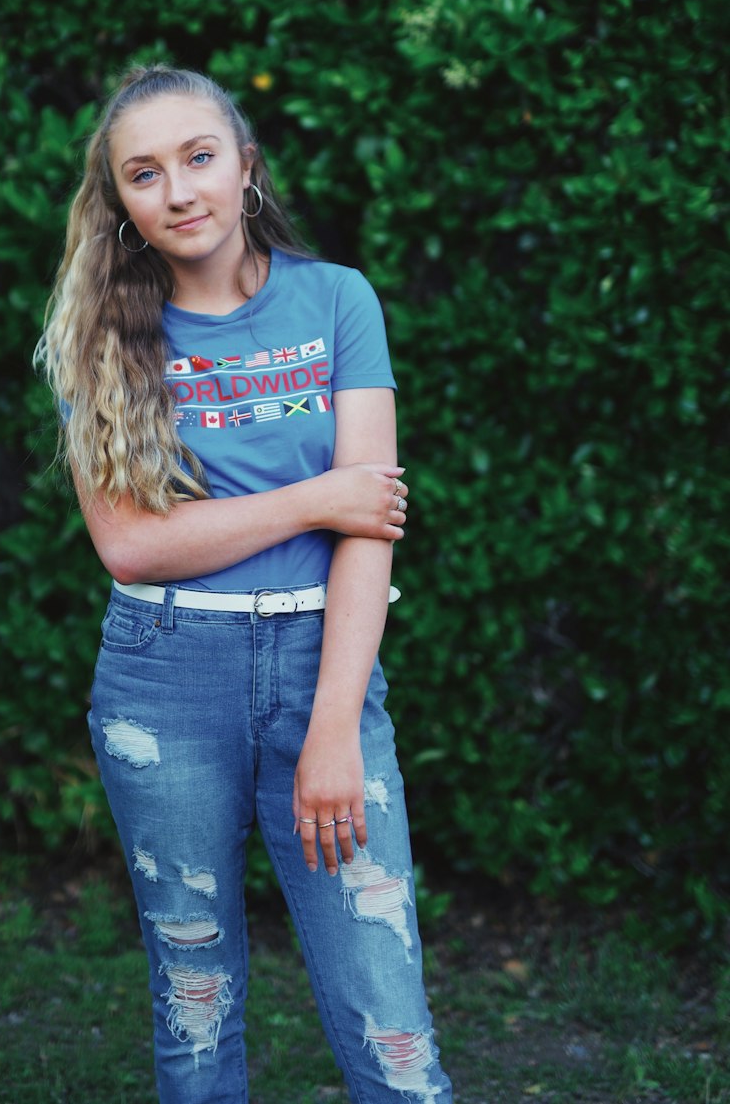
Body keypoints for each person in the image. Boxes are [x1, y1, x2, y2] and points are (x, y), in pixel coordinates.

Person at [36, 63, 453, 1103]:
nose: (177, 190)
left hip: (326, 666)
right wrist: (316, 501)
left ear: (246, 166)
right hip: (164, 677)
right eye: (144, 173)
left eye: (198, 157)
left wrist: (331, 729)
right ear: (120, 202)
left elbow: (374, 531)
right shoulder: (96, 337)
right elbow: (131, 547)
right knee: (194, 999)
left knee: (390, 1018)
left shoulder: (336, 299)